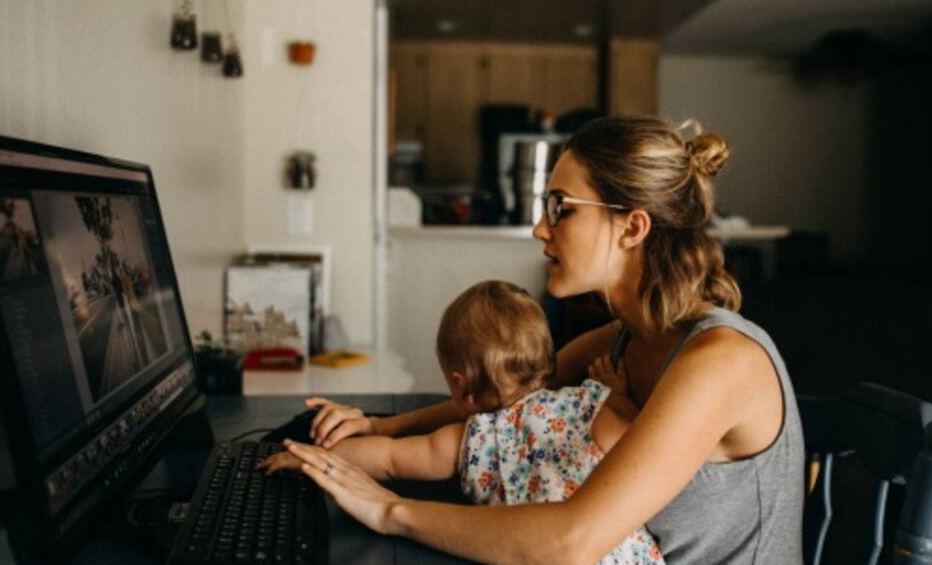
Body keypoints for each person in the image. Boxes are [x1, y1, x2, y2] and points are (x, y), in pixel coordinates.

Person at [279, 116, 805, 564]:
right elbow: (511, 398)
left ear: (632, 228)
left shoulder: (721, 362)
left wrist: (387, 510)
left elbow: (571, 540)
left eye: (560, 207)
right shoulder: (623, 339)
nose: (539, 228)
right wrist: (379, 427)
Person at [258, 279, 664, 564]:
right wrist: (617, 393)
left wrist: (312, 458)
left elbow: (389, 459)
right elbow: (631, 435)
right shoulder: (589, 405)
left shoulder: (474, 439)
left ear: (460, 384)